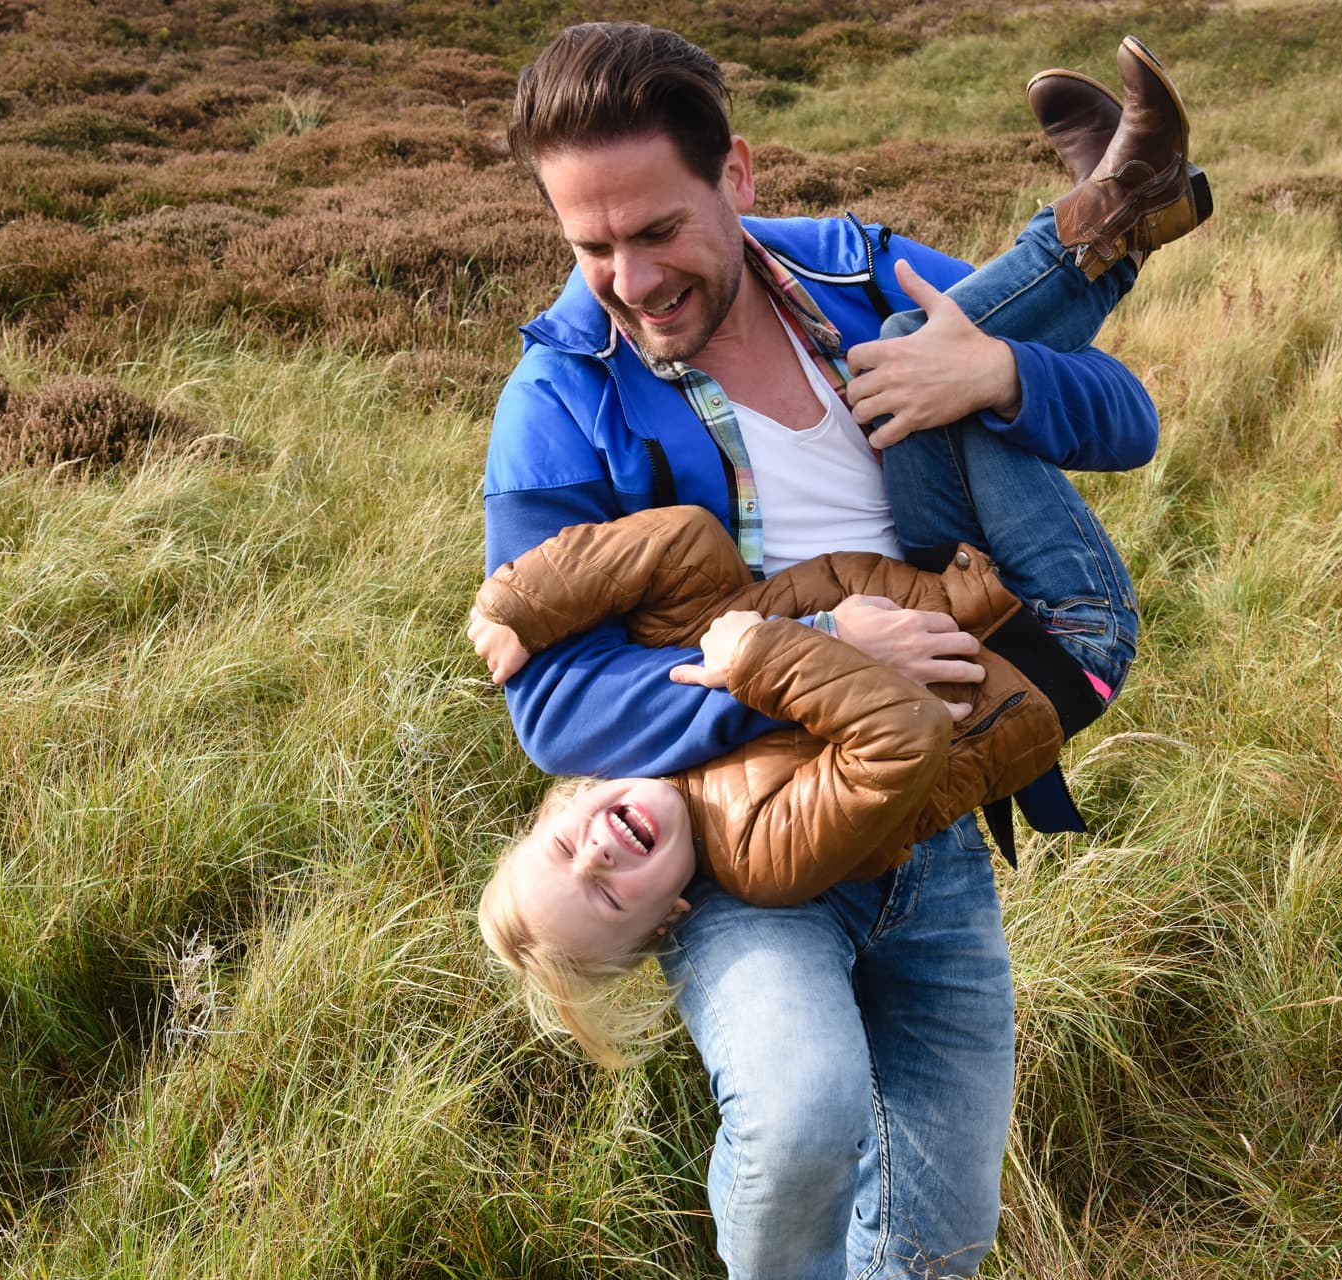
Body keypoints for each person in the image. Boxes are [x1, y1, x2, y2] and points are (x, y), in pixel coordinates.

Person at [476, 21, 1204, 1278]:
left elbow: (1128, 418)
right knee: (802, 1115)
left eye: (657, 232)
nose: (631, 280)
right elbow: (553, 705)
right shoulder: (562, 395)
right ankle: (1120, 206)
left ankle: (1119, 203)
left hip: (931, 820)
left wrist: (1002, 378)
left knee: (938, 1242)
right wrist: (817, 644)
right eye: (590, 246)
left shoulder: (856, 274)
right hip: (751, 836)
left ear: (738, 178)